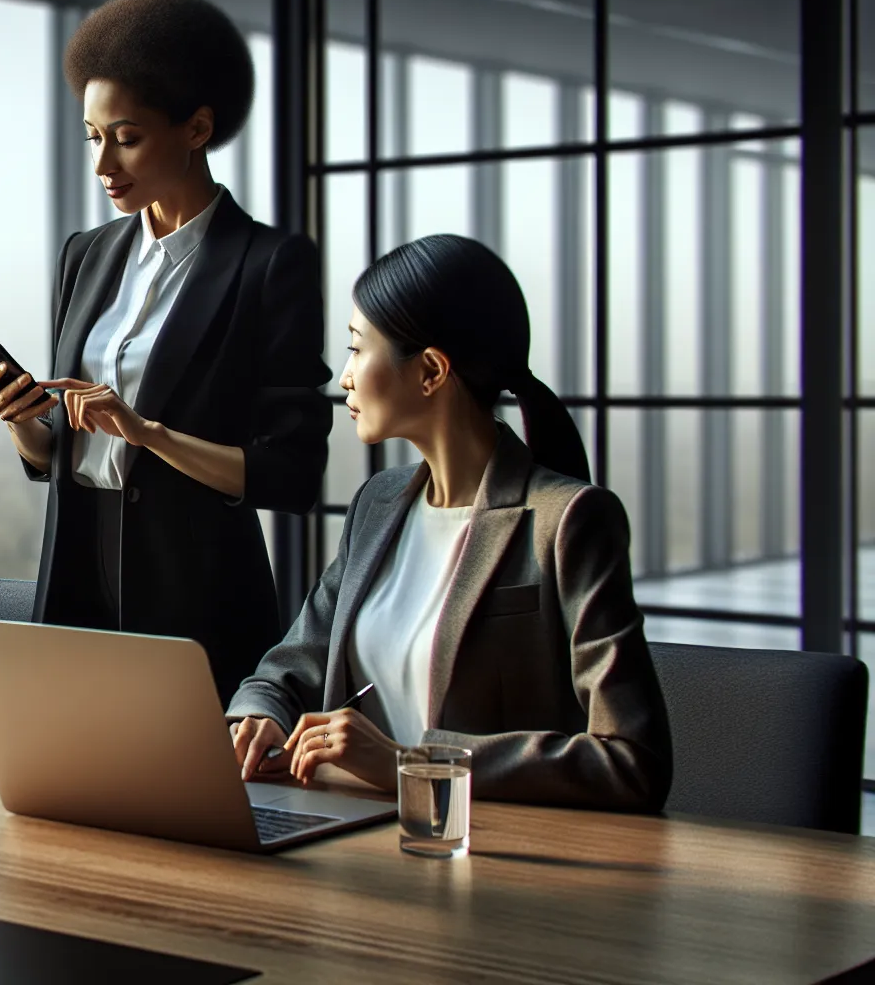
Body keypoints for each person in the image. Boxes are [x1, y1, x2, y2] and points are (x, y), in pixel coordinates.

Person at [226, 234, 671, 812]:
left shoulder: (567, 521)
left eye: (358, 349)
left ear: (432, 370)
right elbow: (293, 662)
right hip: (348, 832)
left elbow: (631, 761)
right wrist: (259, 712)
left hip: (487, 856)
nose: (344, 377)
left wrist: (412, 764)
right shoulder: (378, 504)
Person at [0, 0, 333, 708]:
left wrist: (148, 433)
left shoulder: (269, 264)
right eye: (92, 136)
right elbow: (61, 456)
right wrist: (22, 418)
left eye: (126, 136)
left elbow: (291, 474)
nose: (103, 162)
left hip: (197, 588)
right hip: (77, 573)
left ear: (197, 127)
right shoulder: (86, 255)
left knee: (191, 808)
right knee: (68, 793)